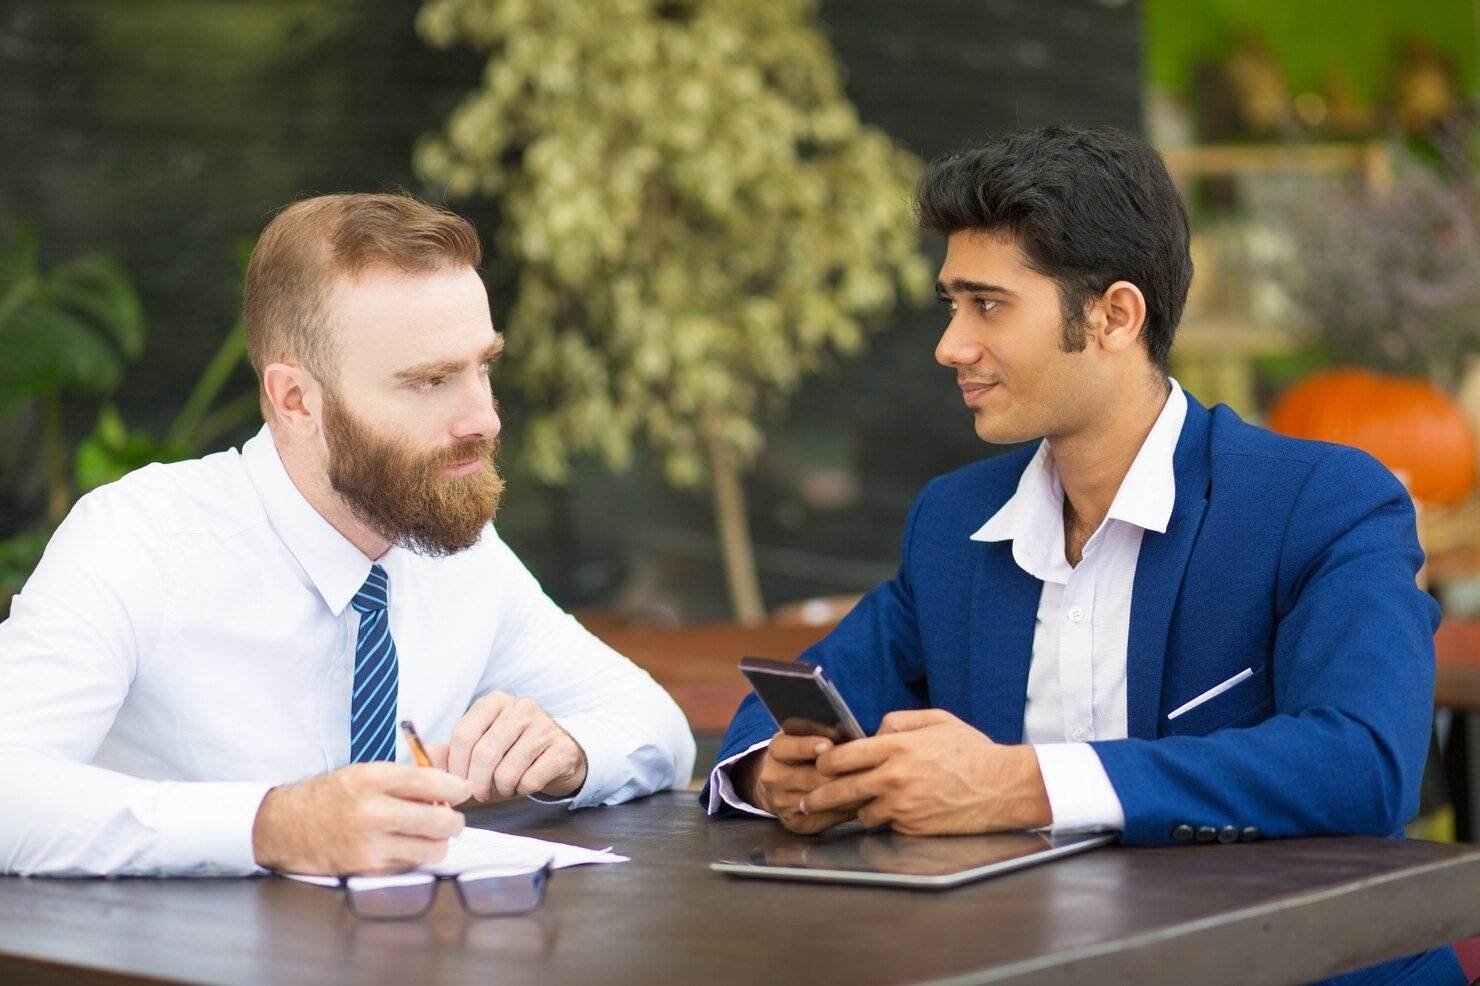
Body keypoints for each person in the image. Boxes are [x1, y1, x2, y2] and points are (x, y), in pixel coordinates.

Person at [703, 126, 1461, 984]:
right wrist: (776, 770)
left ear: (1114, 315)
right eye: (951, 304)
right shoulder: (957, 519)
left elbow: (1364, 764)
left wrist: (1019, 785)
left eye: (987, 304)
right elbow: (805, 693)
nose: (951, 345)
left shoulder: (1322, 501)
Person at [0, 192, 695, 878]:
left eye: (483, 366)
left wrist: (570, 751)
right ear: (296, 400)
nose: (483, 417)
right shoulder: (141, 539)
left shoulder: (451, 546)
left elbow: (656, 727)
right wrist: (272, 825)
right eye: (429, 381)